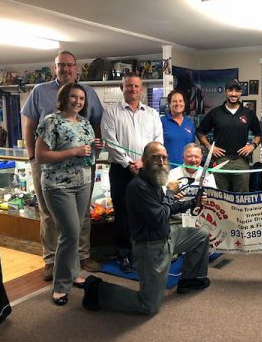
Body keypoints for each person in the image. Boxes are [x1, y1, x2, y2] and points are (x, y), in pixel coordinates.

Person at [82, 142, 210, 315]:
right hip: (151, 247)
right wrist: (170, 194)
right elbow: (159, 217)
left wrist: (190, 203)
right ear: (144, 160)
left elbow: (165, 209)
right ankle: (97, 289)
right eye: (156, 157)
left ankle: (189, 279)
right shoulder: (138, 187)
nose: (161, 161)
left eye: (164, 157)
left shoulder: (154, 180)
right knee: (148, 306)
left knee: (201, 235)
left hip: (167, 236)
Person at [21, 50, 103, 280]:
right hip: (48, 167)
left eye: (70, 65)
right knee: (48, 214)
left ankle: (82, 254)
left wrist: (95, 150)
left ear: (76, 68)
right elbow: (29, 125)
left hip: (83, 166)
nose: (66, 69)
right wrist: (32, 158)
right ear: (54, 68)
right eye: (61, 65)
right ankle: (51, 259)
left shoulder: (89, 93)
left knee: (82, 214)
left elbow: (95, 124)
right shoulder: (39, 92)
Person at [35, 83, 103, 306]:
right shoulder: (50, 122)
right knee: (70, 233)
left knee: (77, 228)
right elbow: (41, 156)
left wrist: (96, 147)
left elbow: (89, 154)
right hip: (58, 185)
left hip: (83, 182)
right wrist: (73, 151)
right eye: (74, 97)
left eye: (82, 98)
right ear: (64, 98)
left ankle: (74, 274)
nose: (78, 101)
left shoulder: (85, 123)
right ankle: (60, 286)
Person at [101, 72, 163, 273]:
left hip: (148, 171)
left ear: (141, 88)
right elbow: (110, 142)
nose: (133, 89)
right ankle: (125, 254)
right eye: (129, 86)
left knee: (148, 211)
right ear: (122, 87)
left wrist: (144, 162)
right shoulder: (111, 113)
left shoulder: (152, 114)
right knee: (123, 214)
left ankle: (146, 251)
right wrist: (129, 163)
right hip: (121, 171)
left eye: (136, 86)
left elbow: (158, 141)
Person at [196, 78, 261, 192]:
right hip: (220, 161)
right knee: (219, 196)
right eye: (230, 90)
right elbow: (200, 132)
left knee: (242, 198)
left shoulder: (248, 113)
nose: (233, 94)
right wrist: (209, 147)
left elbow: (259, 133)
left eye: (237, 91)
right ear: (226, 92)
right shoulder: (215, 113)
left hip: (241, 161)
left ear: (240, 93)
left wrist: (253, 146)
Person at [167, 143, 217, 225]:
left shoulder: (206, 175)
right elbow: (164, 200)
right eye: (189, 156)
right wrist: (172, 197)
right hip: (176, 220)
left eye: (196, 157)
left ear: (201, 158)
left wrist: (207, 200)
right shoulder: (172, 174)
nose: (193, 160)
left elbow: (214, 200)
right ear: (183, 157)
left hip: (199, 220)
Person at [161, 90, 196, 166]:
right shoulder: (161, 121)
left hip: (187, 168)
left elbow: (192, 147)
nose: (178, 104)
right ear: (169, 104)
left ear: (184, 103)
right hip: (167, 169)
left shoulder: (189, 123)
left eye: (180, 101)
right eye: (174, 101)